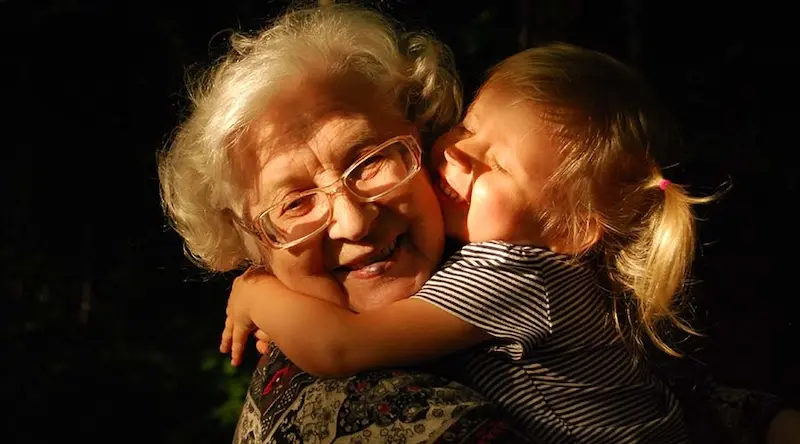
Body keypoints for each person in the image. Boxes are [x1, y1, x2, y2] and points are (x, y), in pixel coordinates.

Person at [221, 43, 704, 443]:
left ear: (569, 230)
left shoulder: (515, 272)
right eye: (469, 129)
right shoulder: (514, 261)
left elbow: (338, 347)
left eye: (500, 166)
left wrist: (258, 293)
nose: (457, 151)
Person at [158, 2, 531, 443]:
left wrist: (257, 291)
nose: (354, 223)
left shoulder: (520, 256)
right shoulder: (383, 414)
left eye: (369, 161)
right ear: (253, 249)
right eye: (296, 204)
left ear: (424, 140)